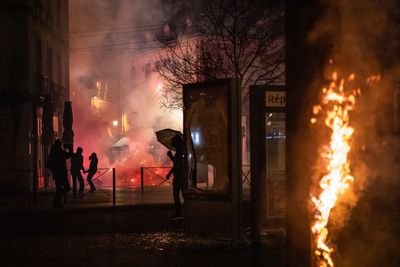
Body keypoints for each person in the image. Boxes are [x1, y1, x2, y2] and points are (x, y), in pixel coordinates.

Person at [166, 135, 187, 220]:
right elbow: (176, 165)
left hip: (180, 177)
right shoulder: (180, 151)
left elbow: (178, 164)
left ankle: (179, 213)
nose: (171, 143)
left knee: (177, 195)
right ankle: (180, 213)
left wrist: (170, 156)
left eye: (173, 141)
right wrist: (169, 173)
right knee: (179, 194)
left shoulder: (180, 152)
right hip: (180, 176)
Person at [46, 139, 72, 208]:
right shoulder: (60, 152)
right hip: (62, 173)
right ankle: (57, 201)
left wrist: (53, 168)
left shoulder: (53, 152)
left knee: (59, 189)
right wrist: (70, 148)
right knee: (67, 187)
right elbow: (69, 155)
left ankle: (57, 202)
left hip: (57, 174)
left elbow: (47, 164)